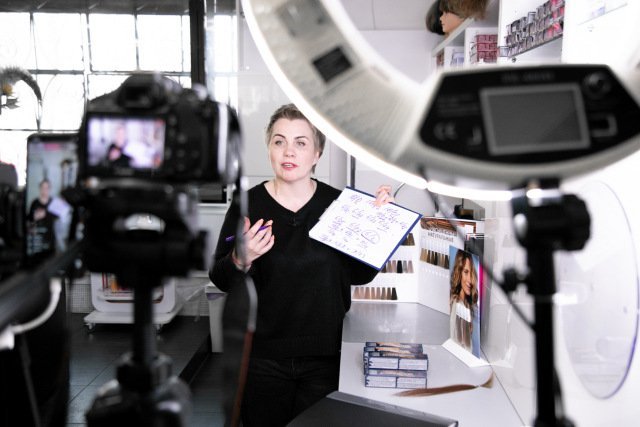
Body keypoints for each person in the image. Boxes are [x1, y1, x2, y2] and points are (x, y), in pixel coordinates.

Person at [209, 103, 394, 426]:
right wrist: (240, 258)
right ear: (269, 148)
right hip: (262, 360)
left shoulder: (340, 205)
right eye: (279, 141)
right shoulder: (247, 205)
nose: (288, 151)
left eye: (301, 142)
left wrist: (380, 224)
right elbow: (220, 277)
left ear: (317, 154)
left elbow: (361, 275)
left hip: (325, 359)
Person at [449, 248, 479, 353]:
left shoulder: (465, 305)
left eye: (471, 273)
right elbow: (460, 349)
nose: (470, 280)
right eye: (466, 272)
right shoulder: (458, 305)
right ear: (459, 273)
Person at [27, 178, 59, 257]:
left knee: (50, 259)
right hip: (37, 238)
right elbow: (29, 219)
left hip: (50, 238)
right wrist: (34, 217)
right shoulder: (34, 202)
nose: (45, 190)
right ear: (40, 188)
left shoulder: (54, 203)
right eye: (43, 188)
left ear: (49, 189)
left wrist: (46, 214)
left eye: (47, 188)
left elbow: (59, 217)